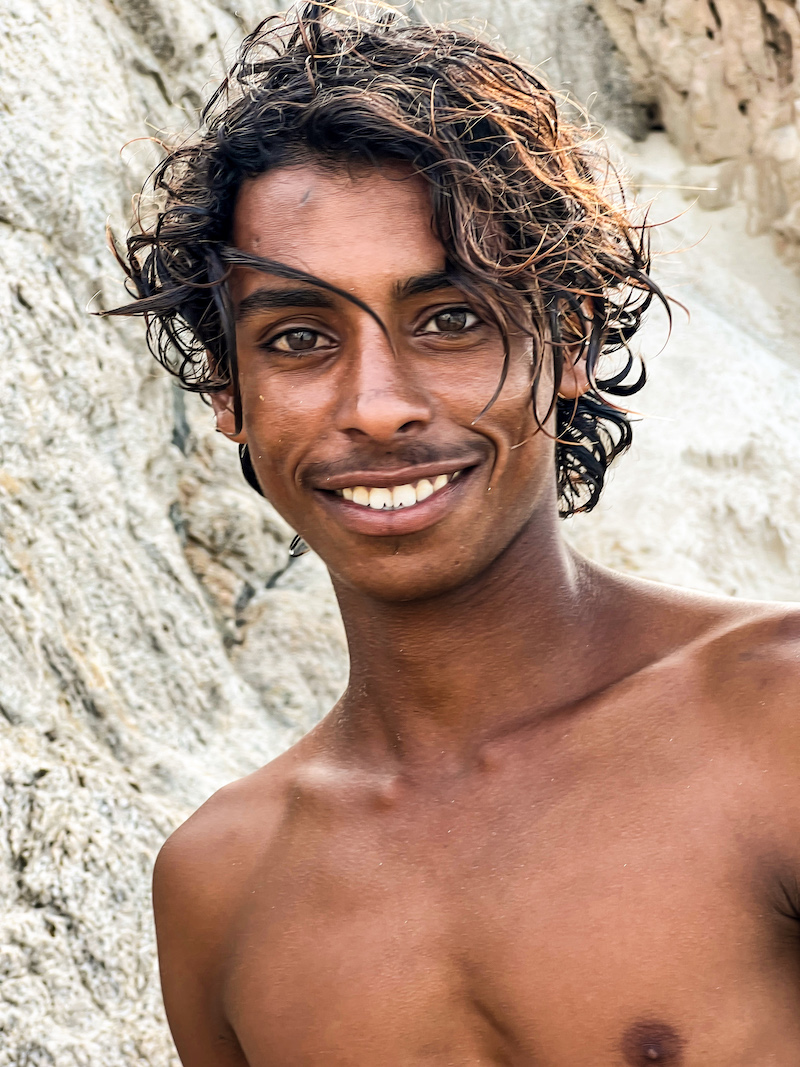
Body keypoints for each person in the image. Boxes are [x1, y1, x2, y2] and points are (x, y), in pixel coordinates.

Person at [107, 4, 800, 1064]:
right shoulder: (221, 885)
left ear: (566, 339)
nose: (376, 405)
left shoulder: (772, 722)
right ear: (228, 393)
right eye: (297, 338)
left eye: (448, 319)